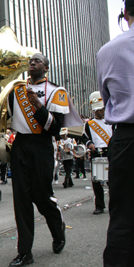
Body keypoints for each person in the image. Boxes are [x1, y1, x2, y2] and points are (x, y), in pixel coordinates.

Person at [0, 53, 82, 266]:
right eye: (31, 61)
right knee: (22, 200)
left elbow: (55, 128)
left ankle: (58, 229)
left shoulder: (57, 92)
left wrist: (37, 104)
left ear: (46, 68)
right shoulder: (15, 91)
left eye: (37, 61)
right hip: (20, 146)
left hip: (43, 146)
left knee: (42, 197)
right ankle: (25, 252)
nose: (32, 63)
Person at [97, 1, 134, 263]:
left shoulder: (108, 51)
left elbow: (107, 96)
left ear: (125, 13)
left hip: (127, 139)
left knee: (123, 218)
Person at [82, 91, 112, 215]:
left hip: (110, 152)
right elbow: (83, 137)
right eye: (96, 110)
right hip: (96, 154)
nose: (98, 112)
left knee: (113, 181)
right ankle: (99, 206)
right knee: (96, 182)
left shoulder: (112, 120)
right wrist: (89, 143)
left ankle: (116, 205)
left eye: (100, 110)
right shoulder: (89, 124)